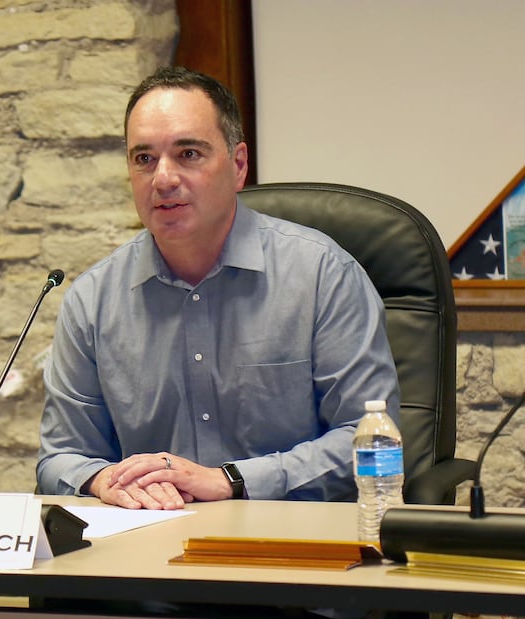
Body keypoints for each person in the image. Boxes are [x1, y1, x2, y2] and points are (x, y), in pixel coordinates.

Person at [36, 66, 400, 510]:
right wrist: (102, 479)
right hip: (149, 547)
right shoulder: (92, 300)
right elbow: (60, 457)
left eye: (188, 153)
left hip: (295, 544)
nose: (163, 178)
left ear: (239, 164)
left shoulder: (323, 274)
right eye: (144, 158)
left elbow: (369, 441)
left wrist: (233, 480)